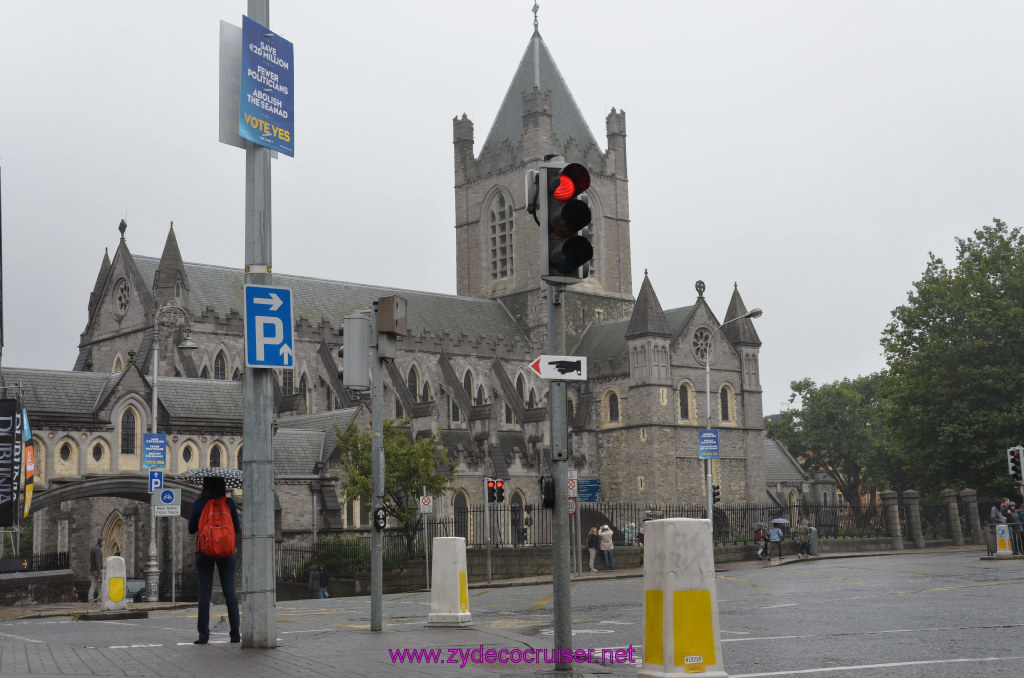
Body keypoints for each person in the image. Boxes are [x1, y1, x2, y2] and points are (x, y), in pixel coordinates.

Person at [188, 476, 241, 644]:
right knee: (230, 593)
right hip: (227, 551)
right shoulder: (230, 503)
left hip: (204, 551)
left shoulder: (199, 504)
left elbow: (190, 529)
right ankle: (235, 635)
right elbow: (237, 529)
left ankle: (203, 636)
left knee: (205, 593)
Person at [88, 536, 105, 603]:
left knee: (94, 584)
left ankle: (90, 599)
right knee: (102, 583)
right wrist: (99, 571)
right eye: (103, 541)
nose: (104, 543)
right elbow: (97, 560)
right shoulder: (98, 549)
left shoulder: (93, 548)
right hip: (97, 570)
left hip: (92, 570)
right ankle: (100, 598)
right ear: (100, 542)